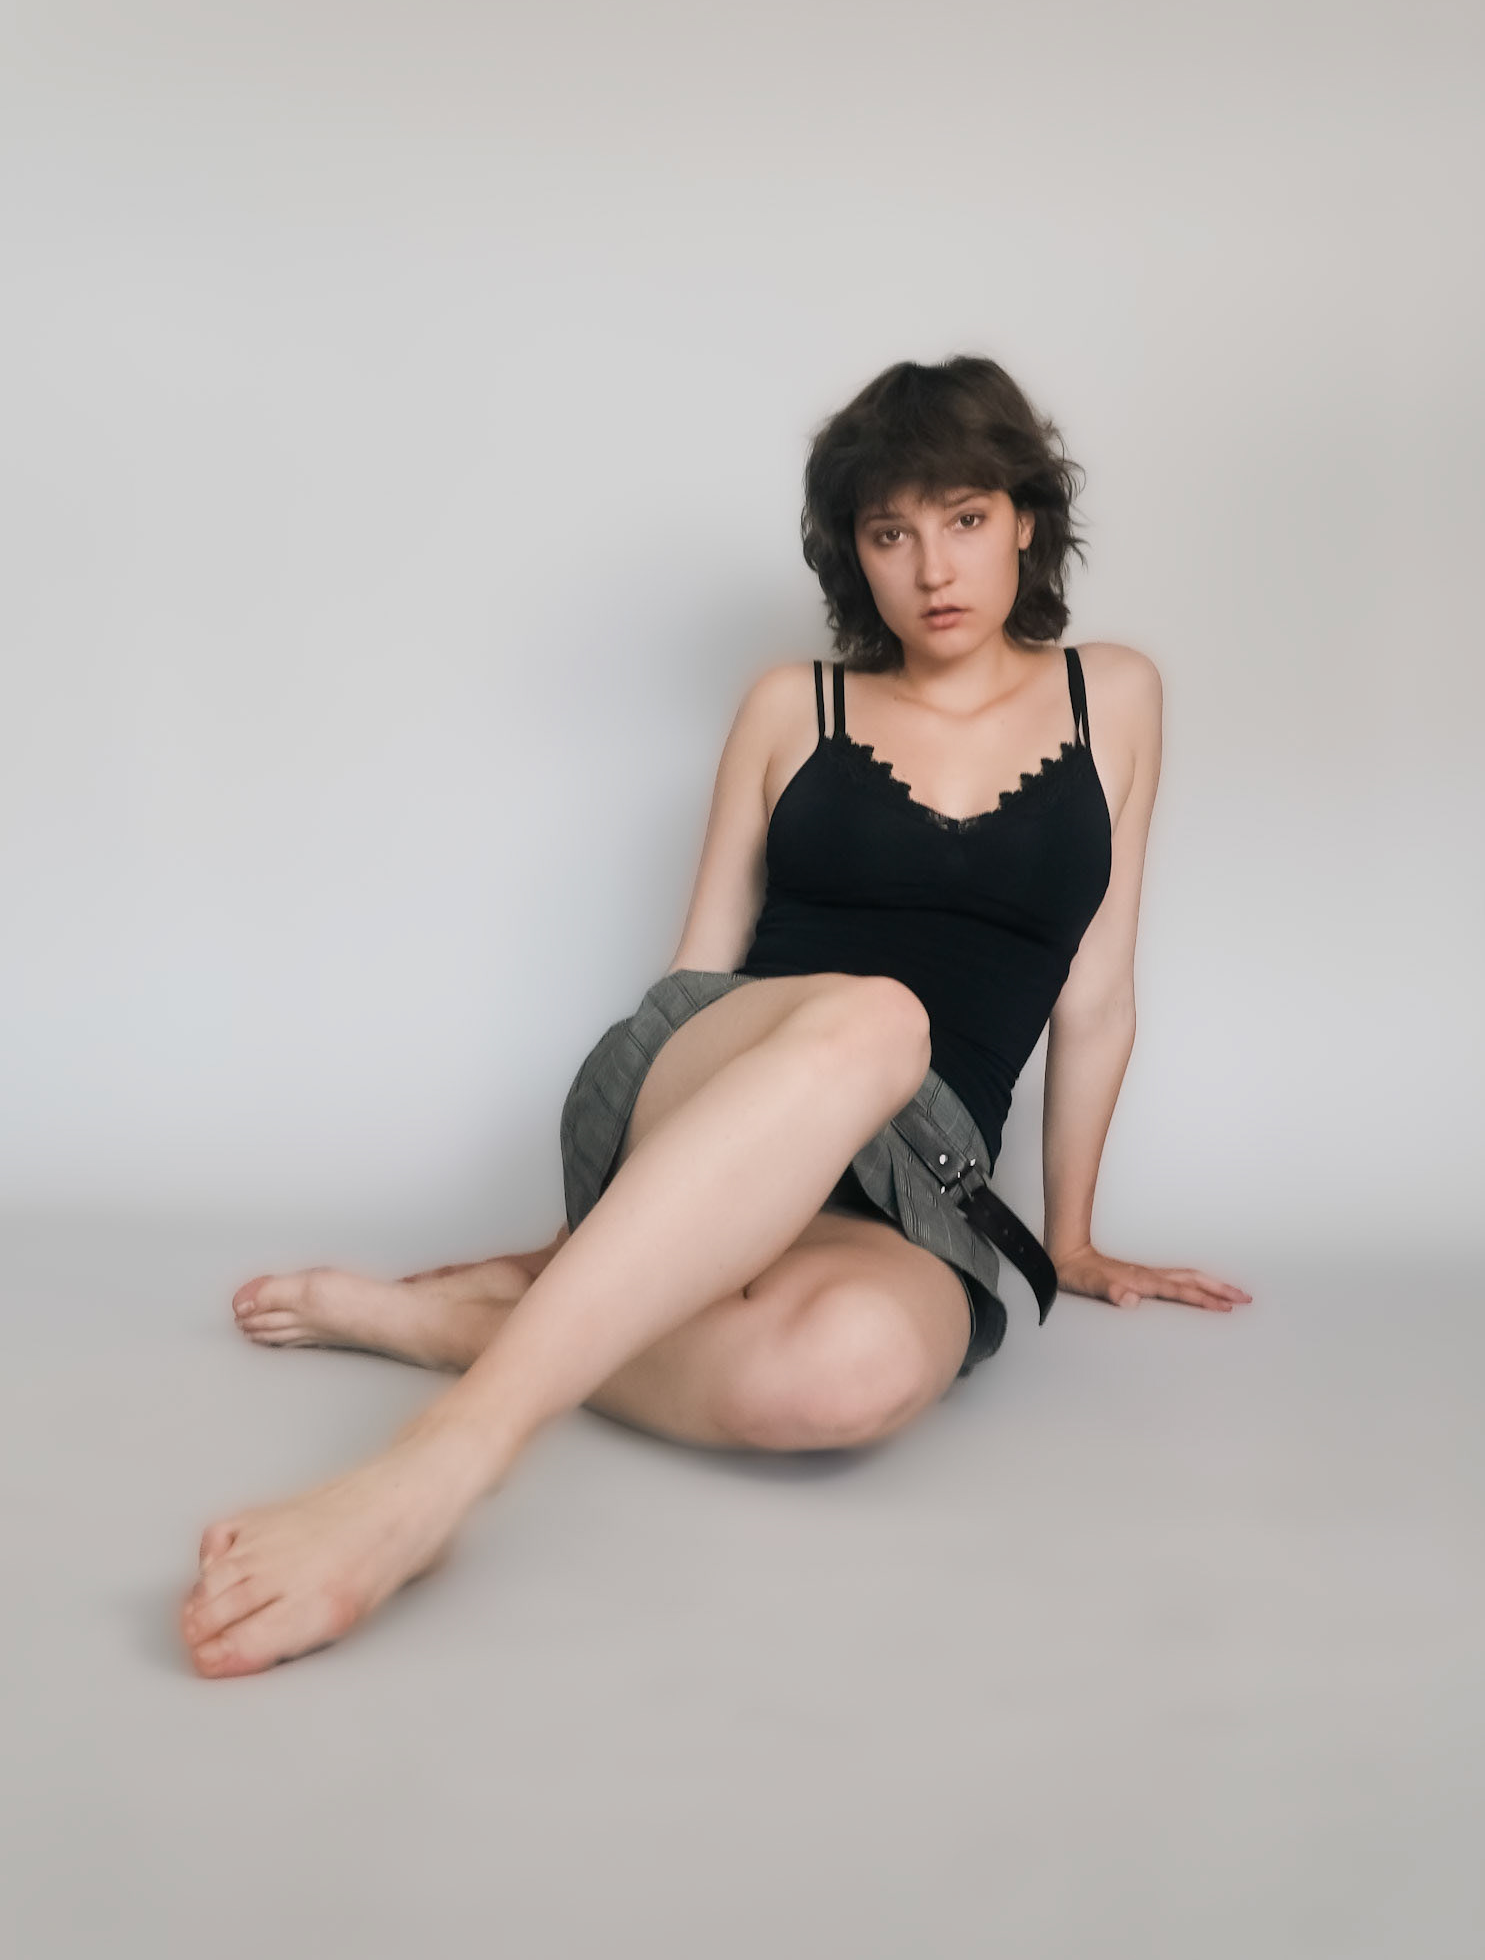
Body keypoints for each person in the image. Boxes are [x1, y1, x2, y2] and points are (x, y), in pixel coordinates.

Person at [179, 354, 1250, 1679]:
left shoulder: (1115, 697)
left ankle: (467, 1324)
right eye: (890, 533)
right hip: (729, 1065)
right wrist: (635, 1180)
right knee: (877, 1021)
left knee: (847, 1377)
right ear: (852, 553)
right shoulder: (791, 705)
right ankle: (437, 1468)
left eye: (966, 518)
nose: (932, 568)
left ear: (1025, 520)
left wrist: (1071, 1239)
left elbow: (1096, 992)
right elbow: (694, 974)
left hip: (918, 1170)